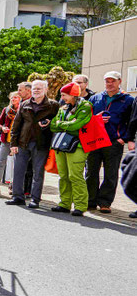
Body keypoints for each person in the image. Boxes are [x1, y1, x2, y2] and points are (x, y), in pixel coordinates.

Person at [86, 71, 134, 214]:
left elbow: (131, 122)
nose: (109, 83)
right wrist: (96, 118)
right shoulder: (95, 98)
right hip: (95, 140)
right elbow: (86, 118)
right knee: (91, 172)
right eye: (107, 81)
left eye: (112, 81)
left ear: (119, 81)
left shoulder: (128, 100)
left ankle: (105, 202)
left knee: (111, 174)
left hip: (114, 142)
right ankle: (91, 201)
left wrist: (123, 139)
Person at [6, 80, 59, 208]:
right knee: (18, 171)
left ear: (45, 90)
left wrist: (49, 122)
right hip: (23, 143)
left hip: (41, 143)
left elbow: (57, 121)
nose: (36, 90)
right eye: (34, 88)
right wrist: (13, 143)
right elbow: (16, 125)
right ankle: (18, 197)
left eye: (39, 88)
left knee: (38, 172)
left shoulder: (53, 105)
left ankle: (35, 199)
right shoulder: (24, 104)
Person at [49, 83, 92, 216]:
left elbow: (78, 124)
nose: (61, 98)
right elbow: (52, 126)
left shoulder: (85, 106)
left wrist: (61, 124)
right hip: (62, 145)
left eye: (63, 95)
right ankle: (64, 203)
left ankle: (80, 206)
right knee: (63, 176)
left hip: (78, 145)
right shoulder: (63, 107)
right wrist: (66, 125)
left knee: (75, 176)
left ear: (73, 94)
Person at [0, 91, 21, 196]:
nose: (13, 99)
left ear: (20, 99)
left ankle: (13, 186)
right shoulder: (6, 110)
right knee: (1, 162)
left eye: (16, 97)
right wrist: (2, 128)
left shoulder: (22, 110)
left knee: (16, 164)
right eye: (12, 97)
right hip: (5, 140)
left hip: (18, 141)